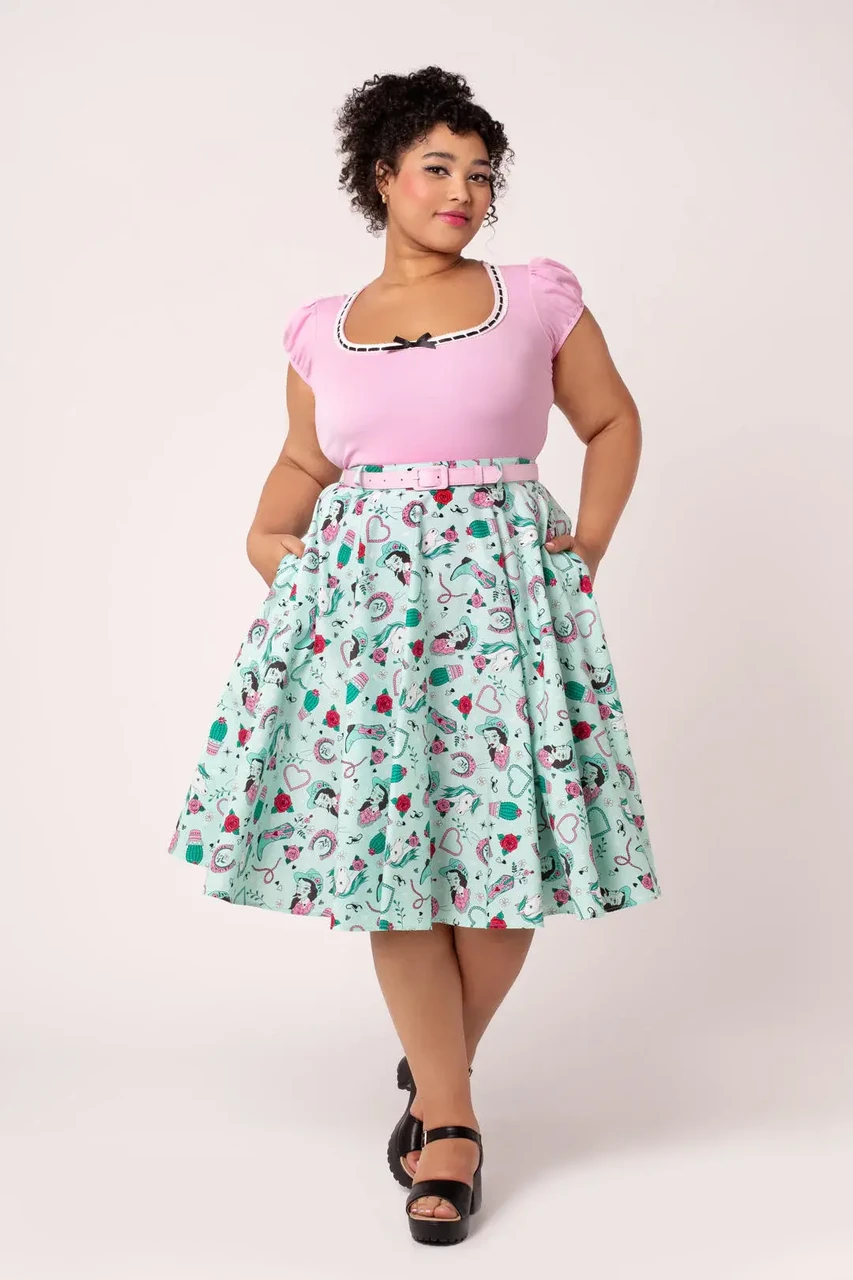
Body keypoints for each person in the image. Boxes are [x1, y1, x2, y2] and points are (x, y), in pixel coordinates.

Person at [167, 65, 662, 1245]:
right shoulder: (320, 330)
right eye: (438, 167)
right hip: (368, 630)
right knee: (392, 862)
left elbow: (610, 420)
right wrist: (268, 542)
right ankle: (450, 1118)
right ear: (381, 176)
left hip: (501, 610)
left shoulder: (533, 298)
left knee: (501, 861)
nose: (463, 192)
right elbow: (302, 469)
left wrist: (585, 549)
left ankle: (436, 1064)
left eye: (481, 176)